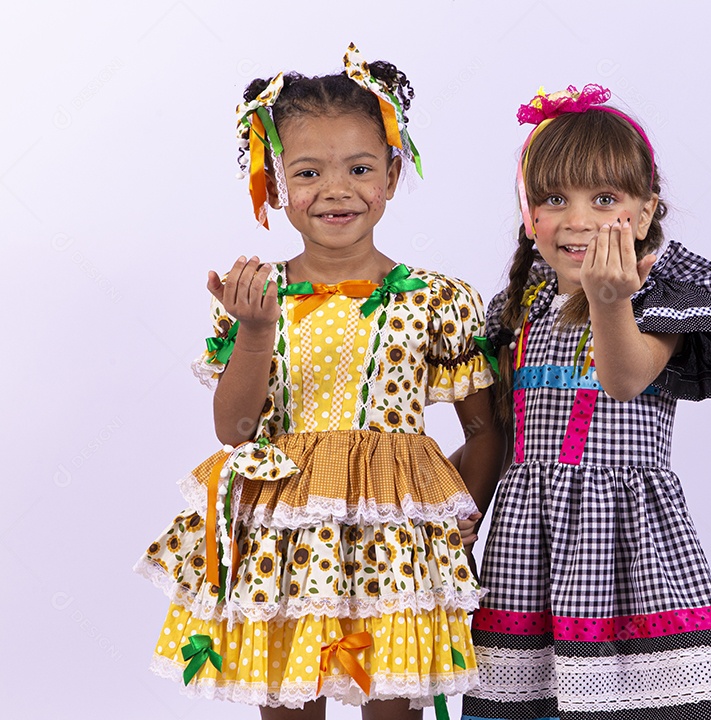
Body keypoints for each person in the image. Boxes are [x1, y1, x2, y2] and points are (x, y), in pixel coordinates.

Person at [133, 43, 503, 720]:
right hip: (283, 545)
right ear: (274, 185)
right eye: (308, 172)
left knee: (391, 706)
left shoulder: (438, 299)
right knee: (288, 701)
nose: (336, 190)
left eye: (360, 168)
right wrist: (255, 330)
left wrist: (454, 528)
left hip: (394, 548)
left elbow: (484, 430)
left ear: (393, 175)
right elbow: (234, 431)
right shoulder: (254, 294)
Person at [460, 85, 711, 720]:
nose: (577, 220)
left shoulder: (658, 295)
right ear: (529, 215)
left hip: (626, 542)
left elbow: (626, 380)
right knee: (527, 693)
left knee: (632, 697)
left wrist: (609, 299)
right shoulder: (519, 307)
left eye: (604, 199)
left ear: (645, 214)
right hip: (527, 543)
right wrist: (458, 514)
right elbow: (499, 432)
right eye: (553, 199)